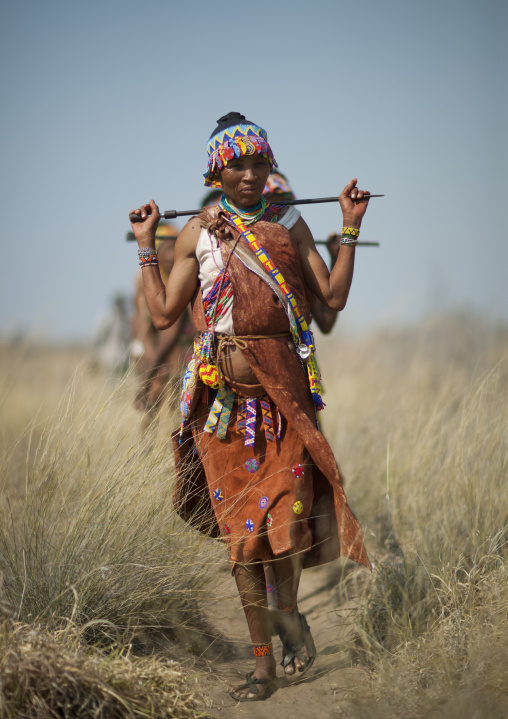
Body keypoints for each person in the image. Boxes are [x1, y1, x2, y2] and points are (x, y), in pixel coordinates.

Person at [129, 111, 371, 701]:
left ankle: (288, 619)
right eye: (237, 164)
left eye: (259, 162)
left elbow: (332, 296)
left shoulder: (291, 223)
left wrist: (350, 227)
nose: (250, 173)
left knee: (285, 524)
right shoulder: (197, 233)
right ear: (216, 171)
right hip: (222, 408)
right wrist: (144, 248)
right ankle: (262, 667)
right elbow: (163, 315)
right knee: (243, 540)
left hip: (285, 398)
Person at [131, 221, 194, 430]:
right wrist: (151, 364)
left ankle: (173, 447)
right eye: (165, 250)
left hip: (176, 353)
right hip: (154, 351)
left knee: (178, 405)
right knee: (153, 400)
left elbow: (175, 329)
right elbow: (143, 326)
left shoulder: (185, 277)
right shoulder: (145, 281)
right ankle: (147, 452)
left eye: (173, 251)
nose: (169, 257)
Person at [263, 171, 340, 334]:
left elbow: (326, 322)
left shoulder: (300, 260)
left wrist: (336, 258)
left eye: (285, 207)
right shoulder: (230, 251)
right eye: (272, 208)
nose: (281, 216)